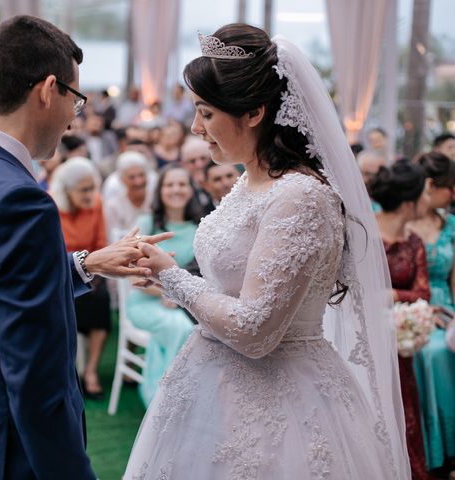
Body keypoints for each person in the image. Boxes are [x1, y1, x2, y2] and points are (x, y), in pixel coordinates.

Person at [125, 24, 410, 479]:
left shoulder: (300, 197)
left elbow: (257, 330)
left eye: (205, 113)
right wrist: (165, 275)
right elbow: (233, 282)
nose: (196, 128)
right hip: (214, 384)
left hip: (284, 402)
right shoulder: (249, 181)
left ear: (255, 112)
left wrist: (173, 277)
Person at [0, 16, 169, 480]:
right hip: (17, 456)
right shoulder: (21, 201)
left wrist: (82, 265)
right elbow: (37, 388)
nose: (76, 117)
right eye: (76, 98)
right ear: (49, 90)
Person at [369, 160, 433, 480]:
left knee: (404, 415)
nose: (428, 199)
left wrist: (392, 296)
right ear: (410, 200)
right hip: (366, 341)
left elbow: (424, 292)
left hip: (398, 343)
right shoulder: (365, 234)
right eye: (424, 193)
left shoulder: (414, 242)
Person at [126, 165, 199, 405]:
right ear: (160, 191)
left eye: (181, 184)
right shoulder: (147, 223)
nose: (176, 189)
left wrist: (177, 297)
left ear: (191, 190)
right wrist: (163, 294)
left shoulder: (200, 226)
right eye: (169, 184)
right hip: (145, 301)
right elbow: (130, 271)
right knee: (180, 327)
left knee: (191, 327)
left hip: (183, 302)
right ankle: (163, 400)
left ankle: (183, 396)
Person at [407, 152, 455, 475]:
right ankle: (430, 451)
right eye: (450, 187)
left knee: (444, 346)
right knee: (429, 352)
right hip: (410, 308)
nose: (453, 195)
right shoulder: (400, 220)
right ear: (430, 186)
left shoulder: (451, 225)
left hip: (446, 306)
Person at [49, 157, 111, 400]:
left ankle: (91, 370)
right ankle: (67, 369)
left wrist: (92, 272)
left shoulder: (96, 203)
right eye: (83, 189)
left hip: (91, 270)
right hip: (60, 272)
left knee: (100, 300)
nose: (90, 194)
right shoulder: (50, 206)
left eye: (92, 187)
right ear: (66, 190)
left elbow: (100, 243)